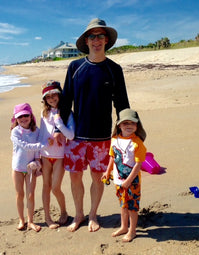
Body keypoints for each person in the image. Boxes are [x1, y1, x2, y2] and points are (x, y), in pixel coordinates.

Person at [59, 18, 130, 232]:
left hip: (102, 137)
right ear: (86, 41)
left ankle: (92, 214)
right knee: (75, 177)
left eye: (100, 36)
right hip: (76, 136)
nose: (96, 40)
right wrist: (59, 129)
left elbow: (122, 103)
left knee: (98, 178)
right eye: (92, 36)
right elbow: (65, 101)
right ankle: (79, 214)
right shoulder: (75, 67)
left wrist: (126, 133)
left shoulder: (114, 69)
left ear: (106, 40)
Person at [102, 108, 147, 242]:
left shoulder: (137, 143)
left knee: (132, 207)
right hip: (118, 180)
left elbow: (138, 165)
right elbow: (112, 157)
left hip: (132, 182)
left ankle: (132, 231)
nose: (129, 126)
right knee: (123, 204)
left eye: (132, 123)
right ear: (119, 125)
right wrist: (107, 171)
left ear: (137, 126)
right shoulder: (114, 139)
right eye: (125, 123)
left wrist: (129, 180)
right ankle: (123, 227)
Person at [39, 80, 75, 229]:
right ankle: (48, 218)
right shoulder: (44, 113)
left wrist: (59, 125)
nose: (52, 99)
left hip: (60, 155)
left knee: (55, 187)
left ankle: (64, 212)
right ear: (45, 100)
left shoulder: (66, 112)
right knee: (46, 187)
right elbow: (41, 133)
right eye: (48, 97)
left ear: (59, 95)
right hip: (45, 155)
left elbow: (71, 135)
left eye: (54, 95)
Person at [10, 103, 44, 232]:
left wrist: (37, 161)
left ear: (31, 116)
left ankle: (30, 221)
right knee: (20, 194)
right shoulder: (15, 132)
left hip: (31, 168)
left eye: (26, 115)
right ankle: (21, 220)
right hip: (18, 168)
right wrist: (42, 145)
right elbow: (25, 146)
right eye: (20, 117)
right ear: (16, 119)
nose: (23, 119)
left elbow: (36, 151)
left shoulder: (37, 131)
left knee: (30, 195)